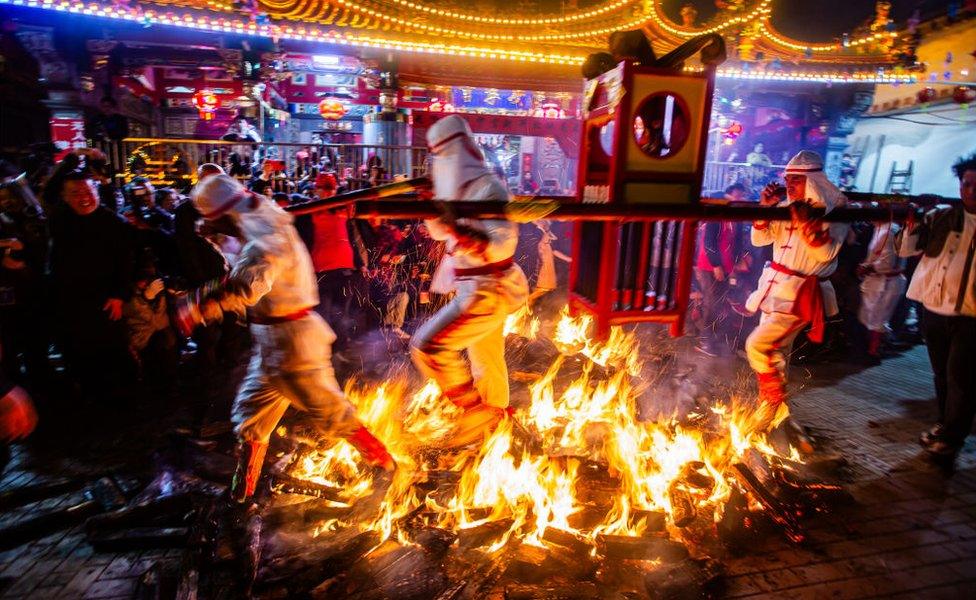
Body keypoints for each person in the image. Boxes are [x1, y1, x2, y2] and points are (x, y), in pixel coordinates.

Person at [187, 175, 394, 504]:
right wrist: (217, 233)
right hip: (272, 341)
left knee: (332, 414)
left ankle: (390, 468)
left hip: (293, 344)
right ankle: (244, 494)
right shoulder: (260, 217)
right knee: (251, 420)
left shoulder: (266, 240)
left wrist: (203, 300)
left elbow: (248, 286)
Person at [409, 115, 529, 447]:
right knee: (487, 362)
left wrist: (456, 226)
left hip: (486, 290)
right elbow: (438, 232)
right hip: (474, 287)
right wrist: (432, 207)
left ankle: (475, 412)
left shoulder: (488, 187)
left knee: (428, 348)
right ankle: (493, 426)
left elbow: (502, 242)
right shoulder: (458, 190)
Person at [743, 151, 849, 447]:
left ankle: (774, 404)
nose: (789, 185)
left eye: (796, 180)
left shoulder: (835, 210)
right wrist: (766, 209)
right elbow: (760, 240)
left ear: (813, 180)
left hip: (801, 294)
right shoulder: (786, 206)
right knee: (776, 360)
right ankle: (774, 419)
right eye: (787, 179)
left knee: (758, 345)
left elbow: (826, 253)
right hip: (775, 291)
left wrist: (805, 225)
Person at [898, 153, 976, 461]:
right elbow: (907, 249)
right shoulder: (939, 217)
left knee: (961, 377)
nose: (971, 190)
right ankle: (945, 424)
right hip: (933, 309)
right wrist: (912, 223)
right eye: (967, 183)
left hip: (970, 315)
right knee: (942, 374)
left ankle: (953, 437)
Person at [44, 151, 137, 401]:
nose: (83, 198)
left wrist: (119, 295)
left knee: (112, 351)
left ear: (96, 193)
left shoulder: (113, 222)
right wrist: (71, 159)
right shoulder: (59, 219)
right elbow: (49, 191)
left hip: (105, 299)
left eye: (88, 192)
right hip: (69, 300)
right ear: (65, 197)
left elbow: (126, 262)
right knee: (76, 353)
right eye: (75, 193)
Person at [695, 183, 747, 356]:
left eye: (742, 196)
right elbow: (709, 242)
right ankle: (705, 341)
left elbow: (738, 242)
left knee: (721, 302)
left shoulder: (736, 218)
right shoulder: (717, 214)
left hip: (726, 266)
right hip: (709, 266)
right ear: (728, 195)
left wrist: (737, 262)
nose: (740, 199)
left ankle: (715, 339)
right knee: (711, 302)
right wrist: (716, 265)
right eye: (737, 195)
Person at [857, 221, 906, 361]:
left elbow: (887, 262)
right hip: (878, 281)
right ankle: (875, 348)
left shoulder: (889, 232)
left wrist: (867, 268)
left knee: (878, 318)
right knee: (872, 316)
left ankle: (874, 351)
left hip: (886, 283)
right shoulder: (881, 229)